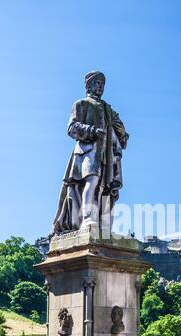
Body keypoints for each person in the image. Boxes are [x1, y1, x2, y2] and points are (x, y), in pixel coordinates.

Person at [53, 71, 129, 236]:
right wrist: (92, 131)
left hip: (106, 155)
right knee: (91, 181)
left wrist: (122, 136)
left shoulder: (108, 109)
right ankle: (88, 219)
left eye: (103, 83)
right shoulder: (81, 104)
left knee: (105, 188)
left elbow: (120, 127)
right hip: (86, 152)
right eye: (97, 83)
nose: (100, 86)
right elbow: (72, 128)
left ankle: (105, 225)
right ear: (88, 85)